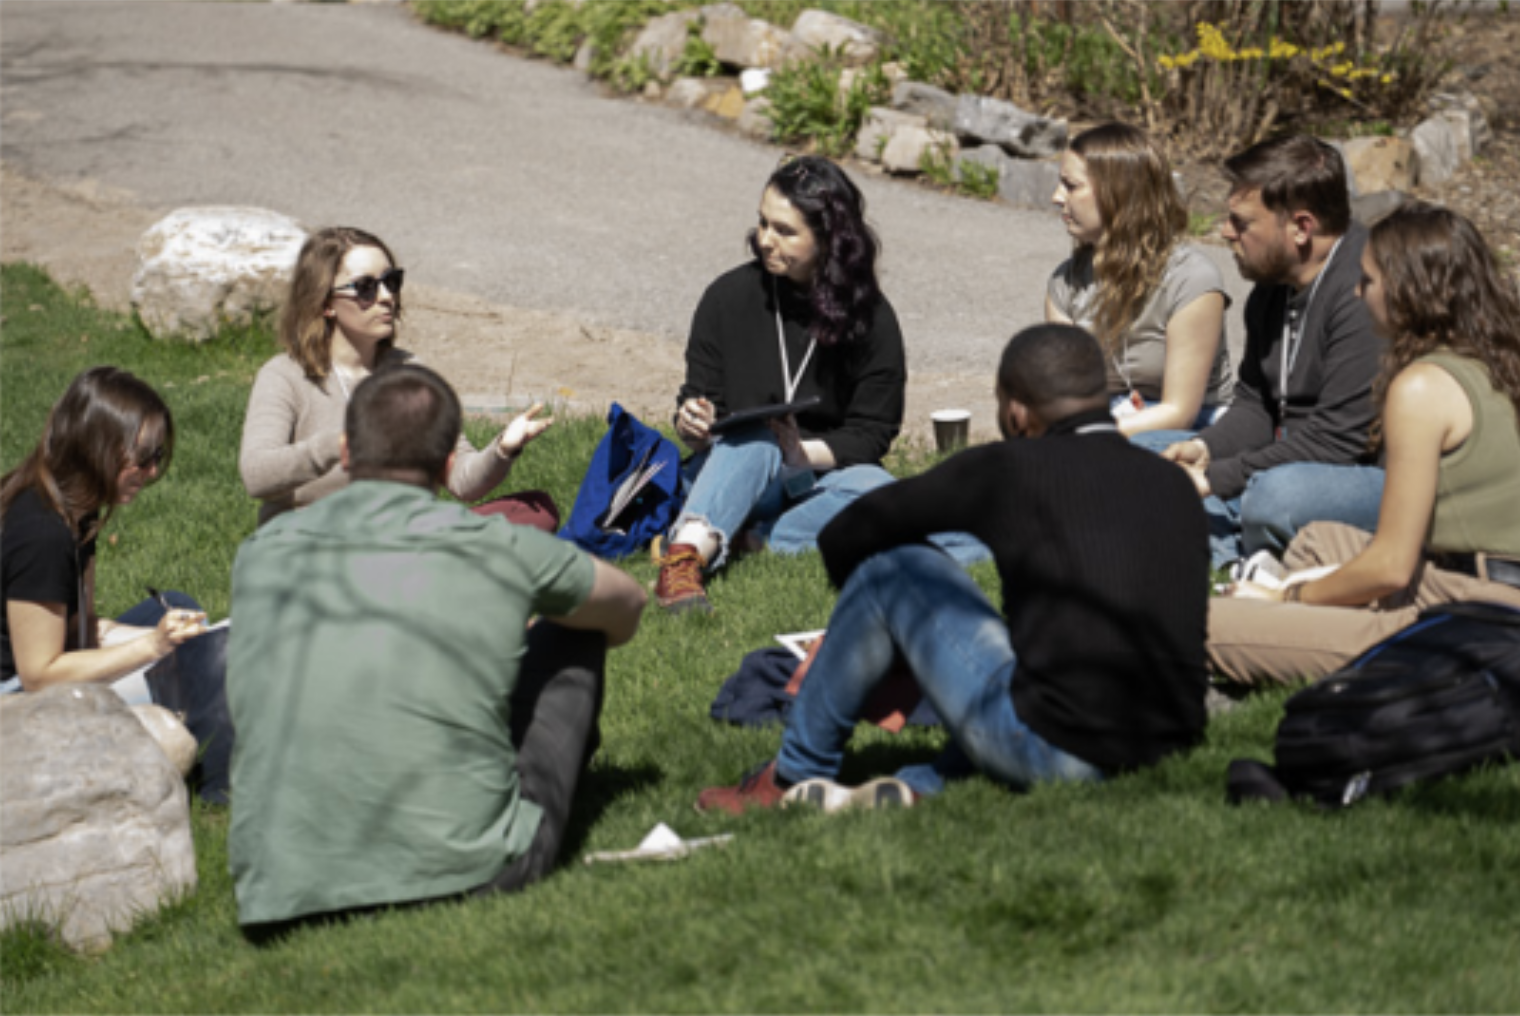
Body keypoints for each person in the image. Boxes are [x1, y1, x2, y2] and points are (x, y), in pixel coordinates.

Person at [695, 324, 1210, 814]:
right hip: (1166, 743)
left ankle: (789, 777)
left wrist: (883, 646)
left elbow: (846, 534)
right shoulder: (1172, 485)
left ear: (1016, 413)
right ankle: (924, 784)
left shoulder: (1011, 469)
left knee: (893, 569)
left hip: (1057, 747)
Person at [227, 364, 646, 939]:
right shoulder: (497, 546)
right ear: (450, 461)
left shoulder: (261, 552)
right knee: (570, 631)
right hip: (471, 869)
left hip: (281, 891)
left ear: (346, 453)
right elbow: (627, 605)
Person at [1208, 203, 1520, 685]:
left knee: (1204, 624)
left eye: (1368, 281)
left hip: (1475, 613)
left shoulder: (1421, 387)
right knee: (1316, 540)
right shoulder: (1495, 357)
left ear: (1407, 291)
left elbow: (1393, 567)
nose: (1357, 292)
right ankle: (1298, 611)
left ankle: (1284, 615)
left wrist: (1289, 600)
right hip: (1467, 576)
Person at [656, 155, 909, 614]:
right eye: (762, 222)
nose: (764, 240)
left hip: (813, 477)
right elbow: (699, 395)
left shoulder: (870, 318)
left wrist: (802, 454)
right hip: (734, 467)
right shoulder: (727, 297)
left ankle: (766, 539)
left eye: (785, 231)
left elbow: (873, 431)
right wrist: (694, 422)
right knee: (754, 442)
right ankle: (684, 561)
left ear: (830, 240)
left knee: (882, 492)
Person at [1143, 135, 1386, 569]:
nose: (1225, 231)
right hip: (1288, 458)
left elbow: (1338, 443)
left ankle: (1222, 544)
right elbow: (1256, 405)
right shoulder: (1271, 290)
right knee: (1146, 451)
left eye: (1242, 223)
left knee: (1276, 496)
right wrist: (1205, 448)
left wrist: (1217, 477)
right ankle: (1235, 549)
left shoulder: (1364, 290)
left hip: (1376, 477)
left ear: (1301, 227)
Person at [1, 366, 233, 802]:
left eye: (157, 457)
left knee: (180, 617)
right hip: (16, 707)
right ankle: (218, 791)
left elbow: (80, 626)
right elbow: (38, 673)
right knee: (204, 667)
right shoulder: (42, 533)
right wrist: (154, 648)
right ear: (95, 447)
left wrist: (170, 636)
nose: (150, 471)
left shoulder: (74, 509)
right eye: (141, 457)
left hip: (39, 669)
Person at [239, 226, 556, 528]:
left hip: (400, 538)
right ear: (325, 303)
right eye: (366, 287)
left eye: (391, 281)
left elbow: (462, 480)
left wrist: (503, 448)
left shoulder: (412, 374)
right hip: (315, 546)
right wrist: (339, 444)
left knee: (533, 511)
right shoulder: (285, 376)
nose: (386, 296)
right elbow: (257, 476)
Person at [1047, 122, 1233, 436]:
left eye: (1071, 185)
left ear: (1117, 194)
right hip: (1110, 417)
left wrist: (1092, 438)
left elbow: (1179, 412)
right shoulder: (1065, 283)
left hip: (1197, 426)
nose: (1056, 197)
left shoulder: (1191, 280)